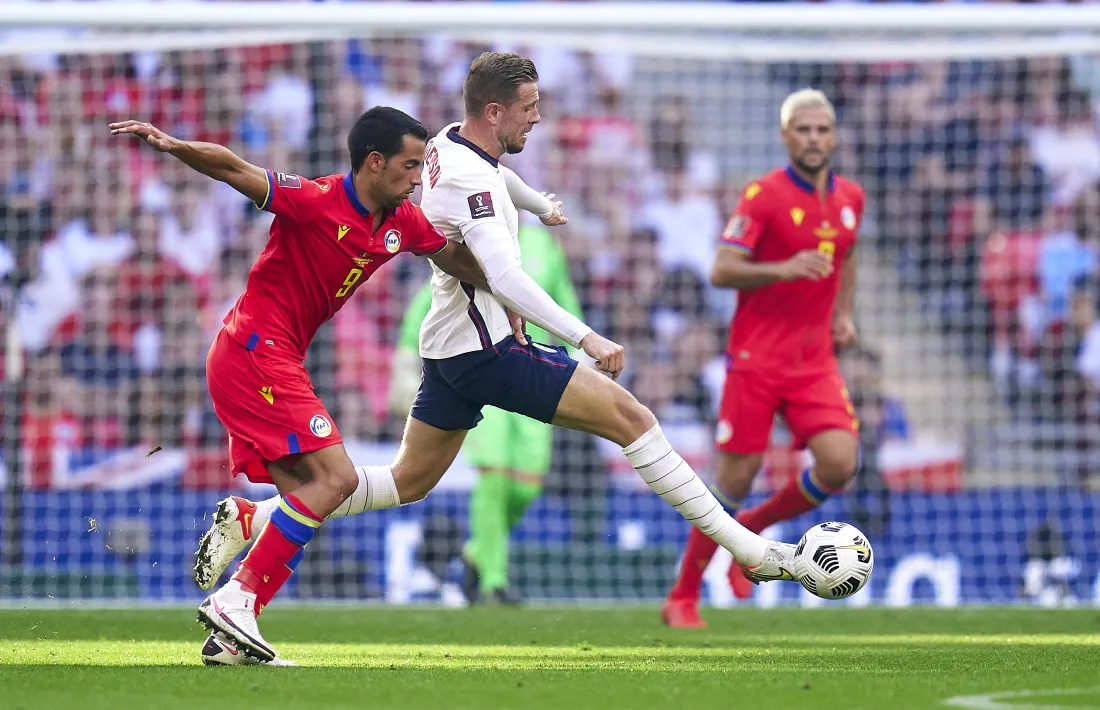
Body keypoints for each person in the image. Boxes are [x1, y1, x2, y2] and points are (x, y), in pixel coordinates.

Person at [193, 53, 797, 638]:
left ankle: (256, 517)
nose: (537, 116)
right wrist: (584, 336)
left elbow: (495, 175)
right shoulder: (466, 180)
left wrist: (537, 203)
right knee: (632, 418)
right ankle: (750, 549)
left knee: (408, 481)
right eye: (529, 107)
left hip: (450, 349)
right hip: (488, 349)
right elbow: (503, 274)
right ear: (494, 110)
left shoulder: (446, 143)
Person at [111, 106, 521, 663]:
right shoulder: (315, 199)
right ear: (373, 163)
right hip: (254, 351)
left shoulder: (404, 220)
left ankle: (231, 624)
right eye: (407, 165)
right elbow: (236, 169)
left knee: (311, 495)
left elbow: (458, 261)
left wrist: (510, 295)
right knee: (338, 477)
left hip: (272, 359)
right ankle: (238, 600)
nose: (417, 178)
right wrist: (172, 144)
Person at [660, 89, 864, 628]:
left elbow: (847, 256)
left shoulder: (851, 199)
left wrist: (843, 313)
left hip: (814, 360)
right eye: (803, 130)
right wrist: (783, 268)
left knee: (841, 462)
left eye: (822, 130)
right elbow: (721, 270)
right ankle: (683, 595)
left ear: (833, 135)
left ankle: (750, 529)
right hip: (756, 359)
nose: (814, 139)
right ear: (785, 136)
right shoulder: (763, 195)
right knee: (732, 479)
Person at [391, 219, 584, 605]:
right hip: (485, 364)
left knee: (526, 485)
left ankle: (476, 553)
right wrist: (405, 359)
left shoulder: (543, 244)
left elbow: (561, 298)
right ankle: (492, 582)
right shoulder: (476, 238)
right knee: (494, 477)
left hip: (537, 371)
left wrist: (580, 348)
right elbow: (432, 298)